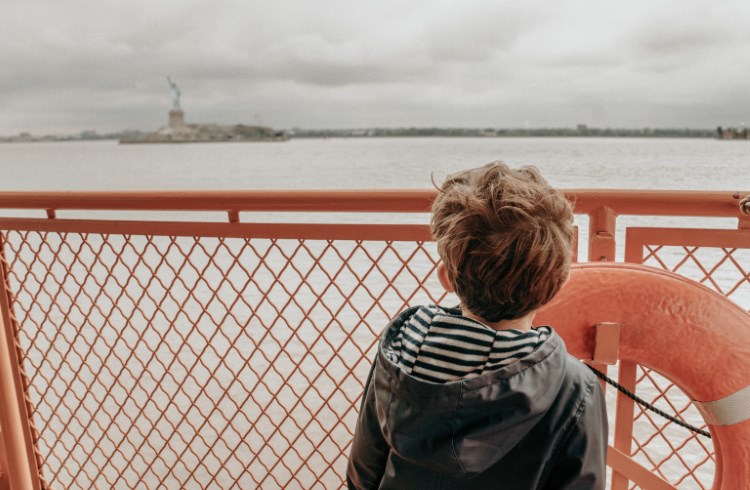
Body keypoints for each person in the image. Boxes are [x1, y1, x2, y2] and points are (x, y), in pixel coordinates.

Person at [346, 162, 607, 489]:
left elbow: (362, 476)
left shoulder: (399, 355)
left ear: (446, 277)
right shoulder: (575, 389)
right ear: (557, 285)